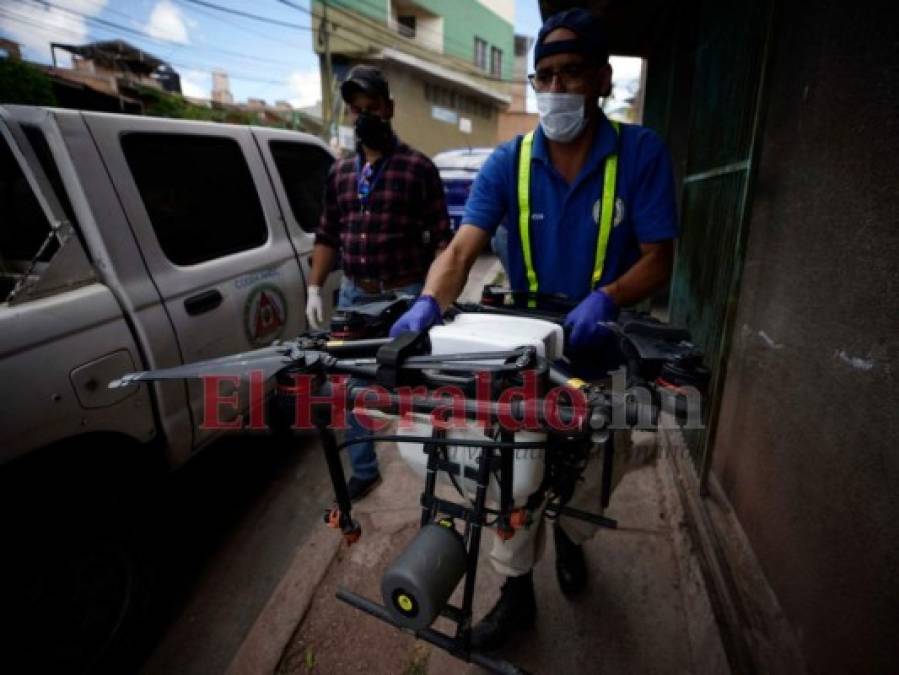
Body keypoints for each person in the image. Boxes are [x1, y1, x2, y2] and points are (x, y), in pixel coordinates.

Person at [389, 9, 678, 649]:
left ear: (602, 79)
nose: (556, 88)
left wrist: (607, 297)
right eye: (544, 75)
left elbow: (660, 257)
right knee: (509, 471)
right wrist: (427, 306)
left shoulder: (640, 153)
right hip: (521, 355)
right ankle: (516, 591)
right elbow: (460, 251)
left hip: (600, 351)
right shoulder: (509, 161)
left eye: (570, 73)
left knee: (593, 472)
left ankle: (573, 537)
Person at [306, 65, 452, 501]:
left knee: (416, 385)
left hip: (405, 295)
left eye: (372, 108)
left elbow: (444, 240)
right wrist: (315, 286)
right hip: (355, 294)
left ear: (389, 108)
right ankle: (365, 469)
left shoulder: (417, 168)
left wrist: (432, 297)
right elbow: (328, 233)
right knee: (347, 385)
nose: (363, 118)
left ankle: (433, 466)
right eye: (356, 111)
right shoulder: (340, 173)